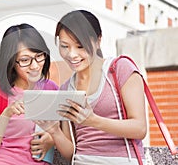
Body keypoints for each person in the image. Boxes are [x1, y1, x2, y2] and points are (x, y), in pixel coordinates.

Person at [37, 10, 147, 164]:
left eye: (80, 46)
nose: (72, 54)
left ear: (98, 41)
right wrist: (54, 131)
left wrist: (93, 120)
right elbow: (70, 152)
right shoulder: (65, 89)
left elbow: (140, 128)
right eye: (64, 46)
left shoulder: (119, 69)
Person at [0, 23, 59, 165]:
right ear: (11, 62)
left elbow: (69, 136)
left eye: (39, 56)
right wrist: (7, 113)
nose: (35, 66)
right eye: (25, 60)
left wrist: (52, 140)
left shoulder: (52, 89)